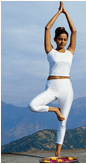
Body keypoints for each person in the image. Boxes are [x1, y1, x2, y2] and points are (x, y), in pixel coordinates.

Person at [29, 1, 76, 157]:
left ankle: (57, 152)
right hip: (51, 86)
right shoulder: (50, 51)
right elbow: (47, 28)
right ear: (55, 39)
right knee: (33, 105)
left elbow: (74, 30)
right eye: (60, 39)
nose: (63, 41)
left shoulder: (70, 51)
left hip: (66, 88)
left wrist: (66, 12)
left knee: (63, 122)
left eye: (65, 39)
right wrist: (58, 12)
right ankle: (54, 110)